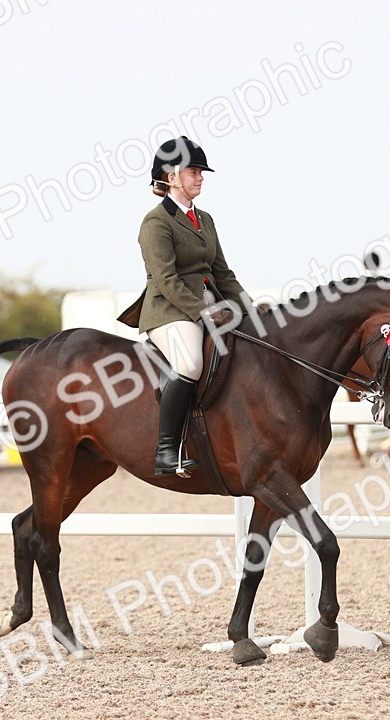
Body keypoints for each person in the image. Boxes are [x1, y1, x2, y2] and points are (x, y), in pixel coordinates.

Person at [117, 137, 253, 477]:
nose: (201, 177)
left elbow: (222, 273)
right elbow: (165, 280)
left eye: (200, 172)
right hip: (170, 310)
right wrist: (203, 311)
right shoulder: (155, 222)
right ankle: (166, 451)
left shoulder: (204, 219)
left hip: (210, 304)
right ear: (172, 177)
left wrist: (251, 309)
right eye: (194, 171)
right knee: (191, 363)